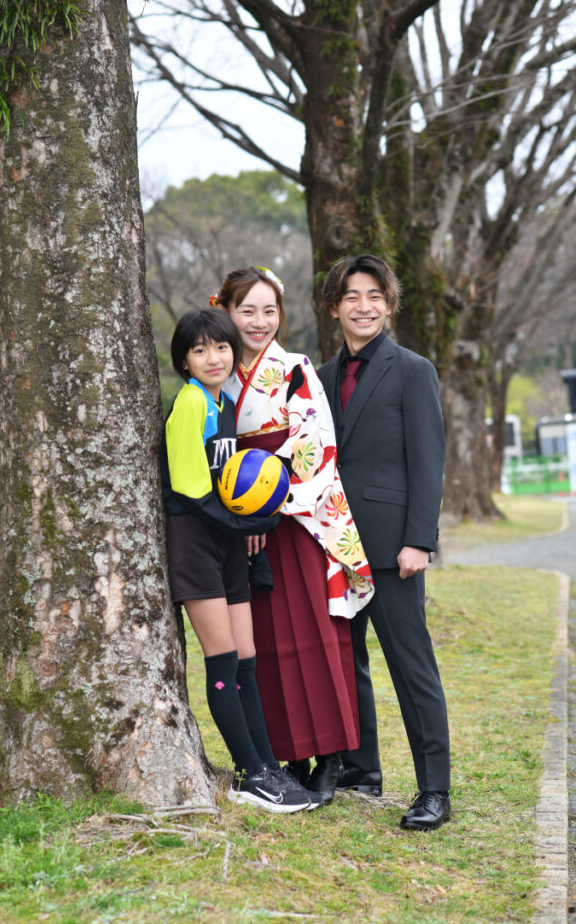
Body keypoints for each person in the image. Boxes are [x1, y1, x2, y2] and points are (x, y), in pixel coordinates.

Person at [214, 266, 374, 806]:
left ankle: (330, 757)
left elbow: (314, 448)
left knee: (313, 637)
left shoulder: (294, 368)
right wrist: (241, 515)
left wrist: (266, 507)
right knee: (264, 645)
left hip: (294, 520)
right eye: (247, 311)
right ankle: (287, 756)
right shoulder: (218, 375)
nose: (259, 322)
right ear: (226, 312)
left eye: (269, 310)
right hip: (242, 527)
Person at [161, 307, 321, 813]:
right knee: (224, 659)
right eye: (200, 350)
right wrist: (247, 526)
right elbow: (190, 489)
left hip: (227, 541)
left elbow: (233, 481)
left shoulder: (224, 401)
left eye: (222, 347)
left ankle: (266, 765)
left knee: (248, 658)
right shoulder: (190, 403)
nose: (214, 357)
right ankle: (250, 777)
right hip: (195, 540)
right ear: (184, 362)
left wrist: (249, 524)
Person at [318, 253, 451, 831]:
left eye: (374, 295)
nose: (363, 306)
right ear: (334, 308)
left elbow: (428, 461)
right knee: (346, 663)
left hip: (396, 551)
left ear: (389, 305)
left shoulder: (414, 370)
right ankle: (361, 768)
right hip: (336, 546)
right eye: (351, 296)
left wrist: (419, 540)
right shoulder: (320, 378)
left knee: (412, 668)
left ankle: (435, 790)